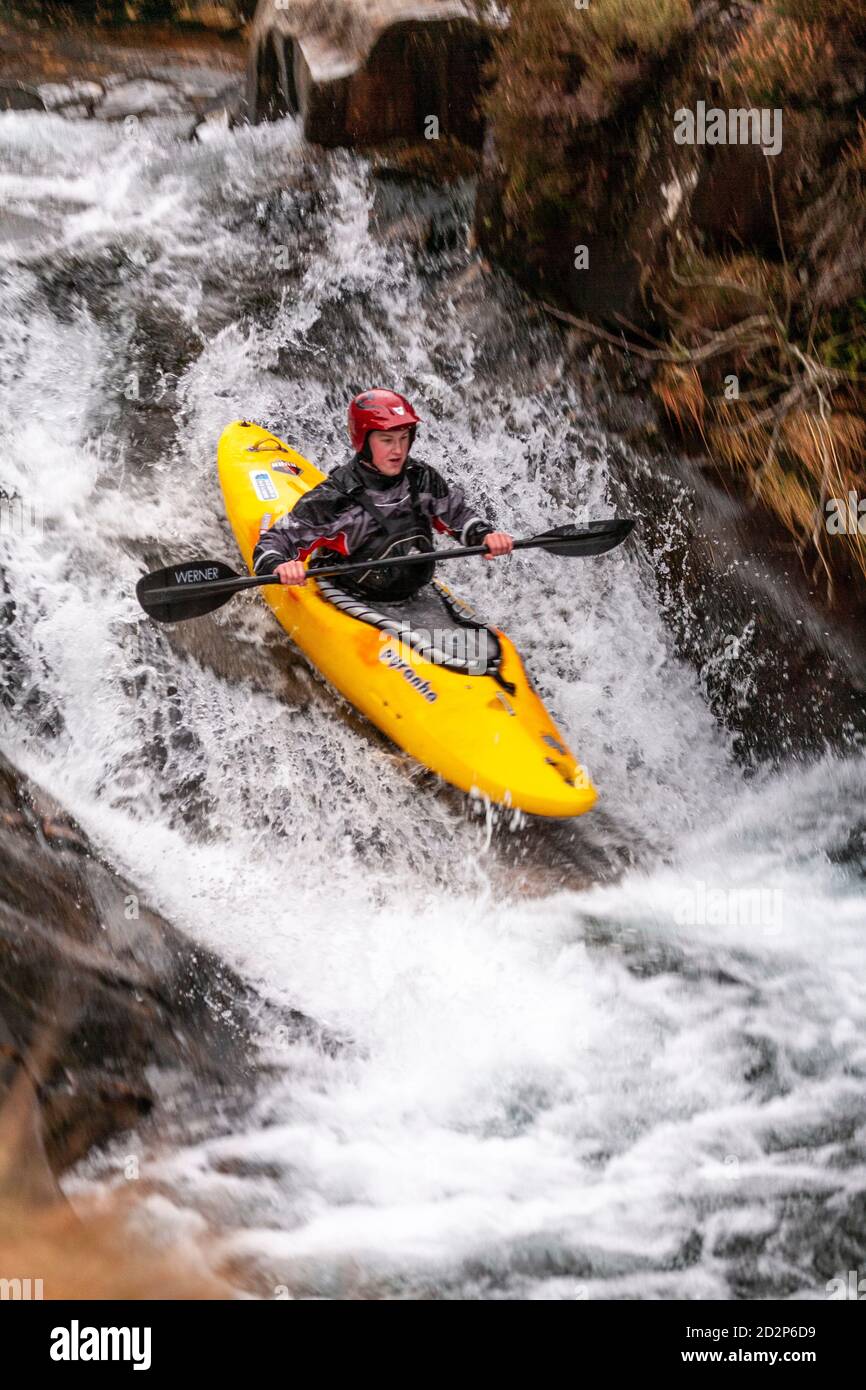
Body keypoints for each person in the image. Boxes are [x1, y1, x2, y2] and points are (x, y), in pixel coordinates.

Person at [251, 389, 513, 602]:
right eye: (387, 440)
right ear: (363, 442)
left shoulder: (420, 478)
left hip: (411, 594)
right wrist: (280, 565)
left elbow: (456, 515)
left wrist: (484, 535)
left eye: (403, 438)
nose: (398, 450)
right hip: (350, 596)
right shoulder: (336, 498)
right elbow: (272, 543)